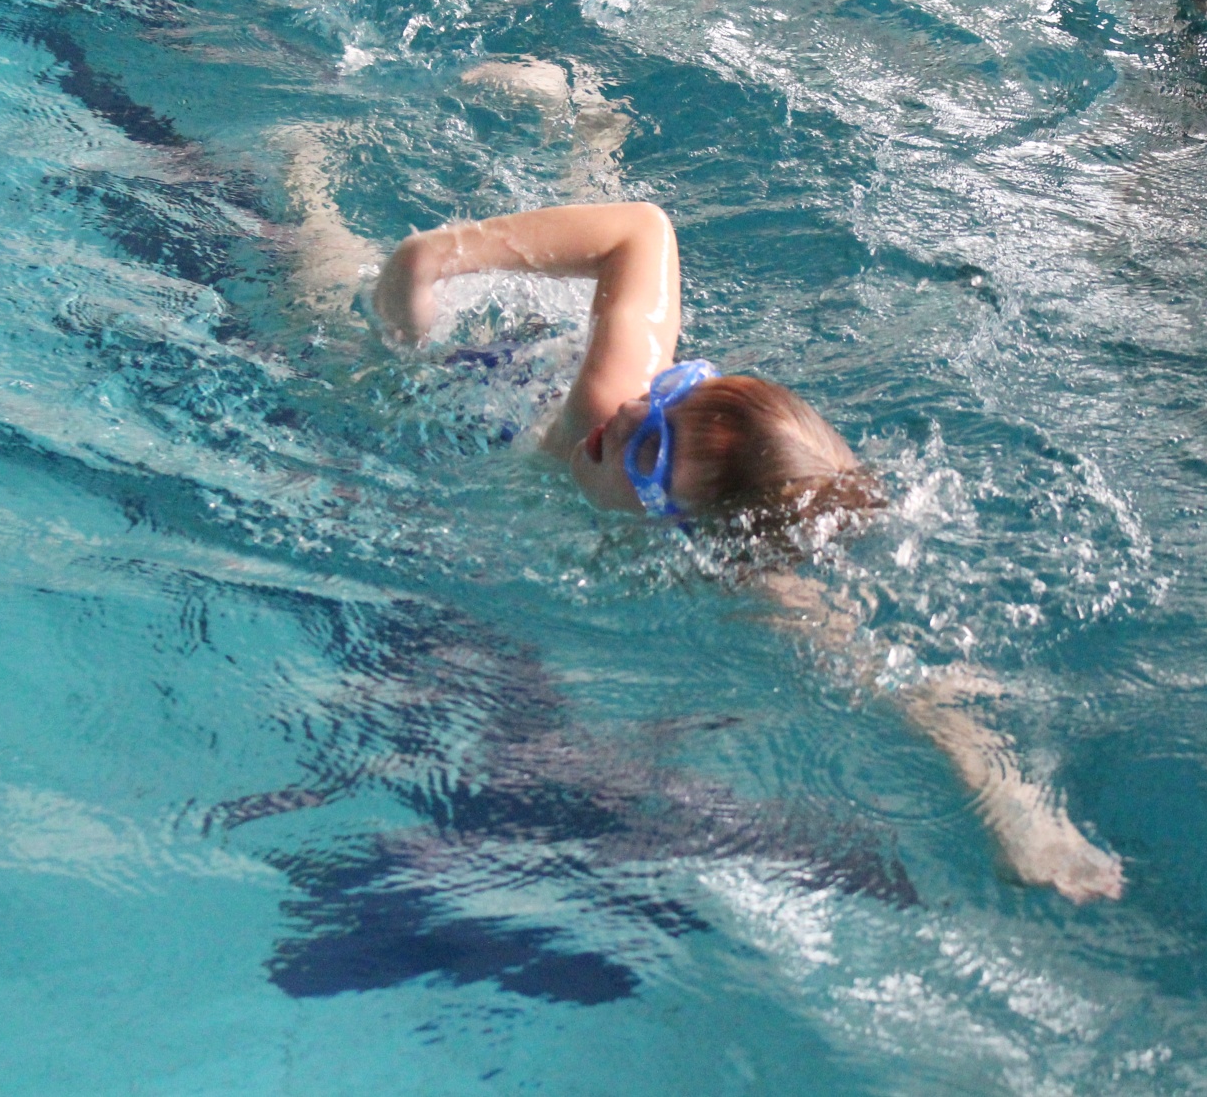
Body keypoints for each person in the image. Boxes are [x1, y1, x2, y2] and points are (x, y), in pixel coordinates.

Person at [280, 58, 1125, 904]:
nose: (630, 416)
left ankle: (582, 153)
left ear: (684, 533)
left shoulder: (727, 571)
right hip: (491, 369)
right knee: (336, 321)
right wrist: (428, 262)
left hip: (513, 430)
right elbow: (642, 230)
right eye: (674, 391)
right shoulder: (606, 406)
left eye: (651, 451)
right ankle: (320, 163)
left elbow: (899, 681)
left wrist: (1021, 814)